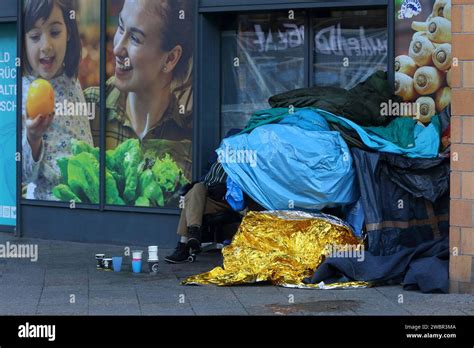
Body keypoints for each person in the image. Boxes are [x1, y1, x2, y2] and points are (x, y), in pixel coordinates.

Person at [85, 0, 194, 204]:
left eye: (134, 38)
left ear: (170, 58)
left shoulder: (189, 135)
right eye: (120, 26)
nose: (117, 48)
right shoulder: (90, 108)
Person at [22, 0, 94, 200]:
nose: (46, 46)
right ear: (23, 41)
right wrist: (33, 138)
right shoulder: (23, 92)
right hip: (47, 207)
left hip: (83, 202)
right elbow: (25, 176)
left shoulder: (71, 80)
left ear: (69, 33)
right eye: (35, 36)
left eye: (55, 33)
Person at [164, 160, 234, 263]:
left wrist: (226, 188)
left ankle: (184, 245)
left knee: (190, 201)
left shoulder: (243, 156)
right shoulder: (217, 155)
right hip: (206, 194)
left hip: (224, 199)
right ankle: (194, 231)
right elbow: (206, 174)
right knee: (197, 188)